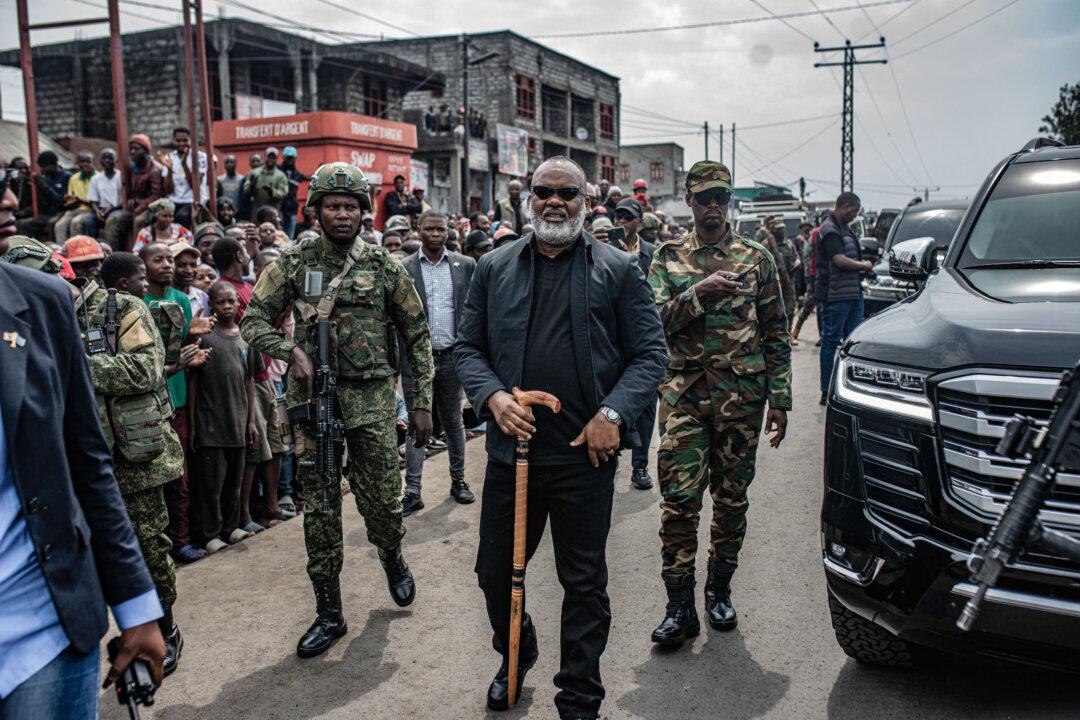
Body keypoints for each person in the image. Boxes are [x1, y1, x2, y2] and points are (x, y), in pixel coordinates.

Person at [455, 156, 667, 718]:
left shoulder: (619, 269)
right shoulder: (493, 267)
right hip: (511, 456)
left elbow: (650, 356)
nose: (555, 201)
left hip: (584, 459)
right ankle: (515, 653)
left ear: (586, 199)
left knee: (583, 582)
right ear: (529, 198)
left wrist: (613, 414)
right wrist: (494, 397)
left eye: (567, 193)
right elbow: (468, 349)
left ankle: (579, 694)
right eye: (544, 191)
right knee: (495, 573)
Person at [240, 162, 435, 659]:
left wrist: (422, 403)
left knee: (384, 505)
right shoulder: (294, 260)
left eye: (351, 205)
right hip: (313, 404)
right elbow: (253, 319)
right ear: (316, 210)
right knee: (320, 509)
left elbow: (416, 335)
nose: (343, 214)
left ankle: (392, 554)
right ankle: (330, 612)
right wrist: (291, 352)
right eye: (333, 205)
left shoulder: (382, 265)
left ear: (363, 213)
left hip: (371, 400)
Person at [0, 244, 166, 716]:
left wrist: (136, 608)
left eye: (93, 267)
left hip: (43, 628)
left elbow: (87, 461)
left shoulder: (45, 302)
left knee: (154, 541)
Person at [647, 161, 791, 647]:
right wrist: (697, 294)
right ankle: (679, 606)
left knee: (731, 503)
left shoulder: (756, 258)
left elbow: (776, 332)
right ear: (688, 200)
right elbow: (652, 323)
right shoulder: (667, 257)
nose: (713, 205)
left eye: (722, 196)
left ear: (730, 202)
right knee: (680, 502)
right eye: (705, 196)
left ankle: (719, 590)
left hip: (742, 404)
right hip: (686, 400)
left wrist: (781, 400)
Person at [399, 210, 476, 516]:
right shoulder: (404, 268)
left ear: (448, 232)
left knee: (454, 420)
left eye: (440, 229)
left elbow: (473, 309)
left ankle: (458, 481)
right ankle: (413, 491)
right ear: (419, 231)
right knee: (417, 426)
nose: (435, 233)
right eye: (429, 228)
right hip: (417, 360)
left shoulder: (464, 265)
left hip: (452, 356)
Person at [188, 281, 260, 553]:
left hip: (238, 421)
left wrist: (251, 421)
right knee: (211, 484)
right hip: (211, 423)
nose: (227, 306)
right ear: (212, 305)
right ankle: (210, 533)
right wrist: (194, 425)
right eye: (221, 302)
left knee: (234, 480)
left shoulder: (245, 338)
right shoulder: (205, 339)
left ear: (239, 304)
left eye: (232, 301)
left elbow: (250, 380)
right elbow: (194, 381)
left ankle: (231, 528)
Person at [613, 197, 658, 490]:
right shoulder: (604, 251)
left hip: (644, 339)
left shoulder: (654, 254)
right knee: (612, 403)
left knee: (645, 406)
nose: (621, 222)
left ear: (639, 221)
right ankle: (610, 457)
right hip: (612, 339)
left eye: (627, 217)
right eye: (618, 216)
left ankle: (639, 465)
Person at [816, 192, 870, 405]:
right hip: (836, 295)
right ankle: (826, 390)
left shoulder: (844, 228)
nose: (854, 215)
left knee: (853, 342)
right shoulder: (830, 229)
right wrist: (863, 265)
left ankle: (849, 386)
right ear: (846, 206)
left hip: (852, 293)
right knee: (830, 341)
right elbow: (838, 260)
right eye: (854, 211)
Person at [161, 127, 209, 229]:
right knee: (160, 216)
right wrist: (169, 170)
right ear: (173, 141)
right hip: (174, 201)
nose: (181, 143)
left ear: (190, 140)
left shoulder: (200, 157)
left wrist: (184, 165)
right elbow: (168, 190)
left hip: (192, 201)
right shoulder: (169, 158)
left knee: (181, 217)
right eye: (178, 140)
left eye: (185, 140)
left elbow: (195, 186)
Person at [16, 151, 70, 240]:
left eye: (45, 167)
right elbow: (44, 202)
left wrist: (45, 187)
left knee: (51, 223)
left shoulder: (66, 177)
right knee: (21, 224)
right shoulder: (47, 177)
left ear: (54, 164)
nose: (43, 169)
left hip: (62, 212)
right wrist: (38, 186)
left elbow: (61, 202)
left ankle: (53, 249)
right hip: (48, 213)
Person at [127, 134, 165, 241]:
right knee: (115, 220)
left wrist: (141, 206)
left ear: (146, 151)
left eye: (137, 149)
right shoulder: (133, 168)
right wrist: (132, 201)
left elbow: (156, 195)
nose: (132, 152)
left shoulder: (154, 169)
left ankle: (138, 252)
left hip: (152, 207)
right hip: (137, 206)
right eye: (131, 149)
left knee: (139, 221)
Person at [85, 148, 125, 245]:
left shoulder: (121, 176)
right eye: (104, 158)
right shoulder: (96, 179)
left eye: (110, 158)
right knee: (88, 222)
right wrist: (97, 211)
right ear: (100, 161)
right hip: (102, 210)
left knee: (111, 221)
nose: (107, 160)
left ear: (116, 160)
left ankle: (111, 253)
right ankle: (92, 249)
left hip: (117, 208)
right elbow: (93, 200)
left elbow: (124, 198)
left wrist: (111, 208)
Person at [54, 152, 95, 244]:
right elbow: (70, 198)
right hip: (75, 209)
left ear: (93, 163)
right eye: (82, 161)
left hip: (89, 209)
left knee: (75, 223)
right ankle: (62, 252)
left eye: (88, 161)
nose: (85, 164)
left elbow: (96, 202)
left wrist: (81, 201)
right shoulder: (74, 178)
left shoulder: (97, 177)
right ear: (77, 163)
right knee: (59, 225)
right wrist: (69, 201)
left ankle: (76, 251)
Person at [792, 220, 821, 344]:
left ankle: (822, 335)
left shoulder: (817, 237)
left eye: (808, 228)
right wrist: (808, 276)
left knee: (820, 307)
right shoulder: (806, 240)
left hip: (817, 275)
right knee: (809, 303)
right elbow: (807, 257)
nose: (807, 230)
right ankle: (796, 329)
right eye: (805, 229)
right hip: (811, 275)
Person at [767, 218, 800, 326]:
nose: (781, 231)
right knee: (774, 309)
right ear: (773, 230)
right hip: (774, 283)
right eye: (778, 229)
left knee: (791, 306)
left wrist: (797, 263)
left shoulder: (789, 243)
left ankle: (788, 333)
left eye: (782, 228)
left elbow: (796, 257)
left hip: (788, 280)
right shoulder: (766, 244)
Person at [211, 236, 254, 317]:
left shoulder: (248, 286)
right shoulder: (226, 293)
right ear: (239, 256)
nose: (249, 257)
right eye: (247, 253)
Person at [244, 147, 288, 223]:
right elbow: (245, 191)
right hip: (257, 212)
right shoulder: (254, 173)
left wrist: (272, 192)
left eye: (273, 157)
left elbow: (283, 193)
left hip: (274, 212)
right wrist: (252, 187)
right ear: (265, 157)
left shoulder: (281, 176)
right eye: (269, 156)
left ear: (277, 159)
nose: (271, 159)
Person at [173, 244, 210, 318]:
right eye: (181, 265)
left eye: (193, 265)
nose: (189, 271)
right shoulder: (159, 297)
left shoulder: (203, 297)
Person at [279, 147, 308, 238]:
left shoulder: (297, 174)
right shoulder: (277, 170)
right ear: (283, 157)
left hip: (291, 210)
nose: (289, 160)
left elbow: (308, 177)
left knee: (290, 238)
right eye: (288, 158)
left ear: (295, 158)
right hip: (279, 210)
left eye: (291, 158)